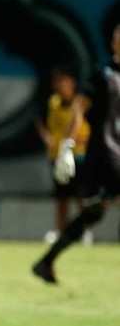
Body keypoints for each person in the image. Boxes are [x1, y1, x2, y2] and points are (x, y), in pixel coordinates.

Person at [32, 21, 120, 284]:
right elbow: (78, 109)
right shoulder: (103, 75)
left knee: (94, 211)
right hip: (107, 154)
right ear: (114, 43)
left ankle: (46, 262)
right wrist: (68, 146)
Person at [34, 67, 92, 245]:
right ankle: (60, 231)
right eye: (58, 82)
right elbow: (39, 120)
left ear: (72, 82)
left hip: (79, 155)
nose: (60, 85)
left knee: (82, 196)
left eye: (64, 81)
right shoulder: (53, 102)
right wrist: (47, 138)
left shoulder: (82, 102)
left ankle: (86, 232)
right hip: (58, 156)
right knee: (62, 198)